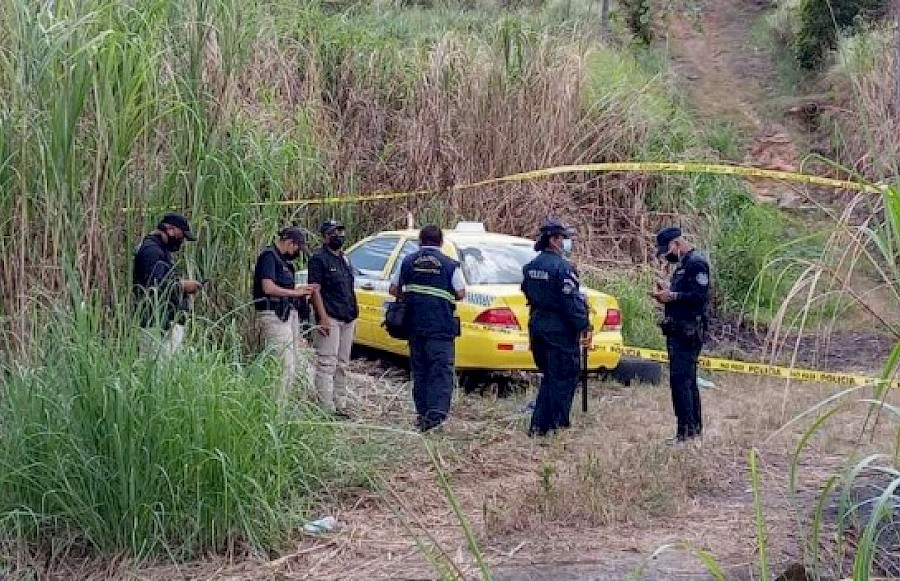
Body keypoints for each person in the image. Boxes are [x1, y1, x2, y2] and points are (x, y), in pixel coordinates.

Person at [389, 225, 466, 432]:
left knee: (420, 370)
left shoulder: (408, 261)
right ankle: (436, 416)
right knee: (440, 371)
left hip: (414, 326)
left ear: (420, 240)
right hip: (441, 328)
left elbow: (394, 288)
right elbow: (460, 292)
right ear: (441, 242)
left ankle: (422, 414)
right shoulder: (450, 265)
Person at [521, 219, 592, 437]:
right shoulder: (562, 268)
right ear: (553, 240)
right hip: (559, 329)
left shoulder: (531, 266)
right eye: (563, 238)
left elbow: (527, 292)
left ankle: (539, 426)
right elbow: (570, 302)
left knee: (550, 376)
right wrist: (584, 325)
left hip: (538, 326)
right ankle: (554, 426)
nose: (566, 243)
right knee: (563, 376)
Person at [253, 226, 328, 404]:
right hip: (273, 314)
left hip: (287, 314)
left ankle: (284, 404)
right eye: (296, 248)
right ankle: (276, 409)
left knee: (293, 365)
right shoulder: (269, 257)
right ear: (289, 242)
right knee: (284, 365)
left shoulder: (286, 263)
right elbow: (268, 287)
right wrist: (295, 293)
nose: (296, 252)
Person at [651, 226, 711, 443]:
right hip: (678, 328)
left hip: (688, 330)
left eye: (667, 251)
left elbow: (699, 296)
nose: (666, 256)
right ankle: (692, 429)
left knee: (681, 380)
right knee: (686, 379)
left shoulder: (696, 263)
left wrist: (672, 296)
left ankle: (685, 431)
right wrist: (667, 291)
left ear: (676, 244)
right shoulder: (683, 266)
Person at [308, 219, 359, 417]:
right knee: (326, 362)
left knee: (342, 363)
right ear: (325, 237)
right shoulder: (318, 259)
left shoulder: (345, 259)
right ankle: (325, 408)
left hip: (348, 316)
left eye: (340, 231)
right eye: (333, 233)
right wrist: (322, 317)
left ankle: (341, 404)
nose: (338, 236)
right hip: (330, 316)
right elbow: (315, 290)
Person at [133, 212, 202, 357]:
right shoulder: (152, 250)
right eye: (181, 235)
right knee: (157, 366)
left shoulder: (158, 249)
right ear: (170, 229)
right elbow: (155, 285)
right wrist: (183, 285)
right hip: (156, 323)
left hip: (162, 322)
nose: (182, 240)